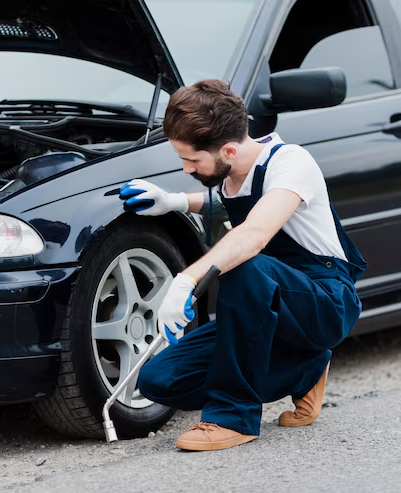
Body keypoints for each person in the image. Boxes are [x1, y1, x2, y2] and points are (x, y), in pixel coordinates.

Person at [118, 79, 367, 451]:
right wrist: (174, 202)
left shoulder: (290, 163)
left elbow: (255, 232)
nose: (186, 168)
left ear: (230, 150)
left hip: (323, 300)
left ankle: (233, 417)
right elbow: (230, 203)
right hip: (267, 306)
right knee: (159, 380)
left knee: (242, 264)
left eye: (191, 159)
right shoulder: (229, 175)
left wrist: (187, 280)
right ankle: (306, 368)